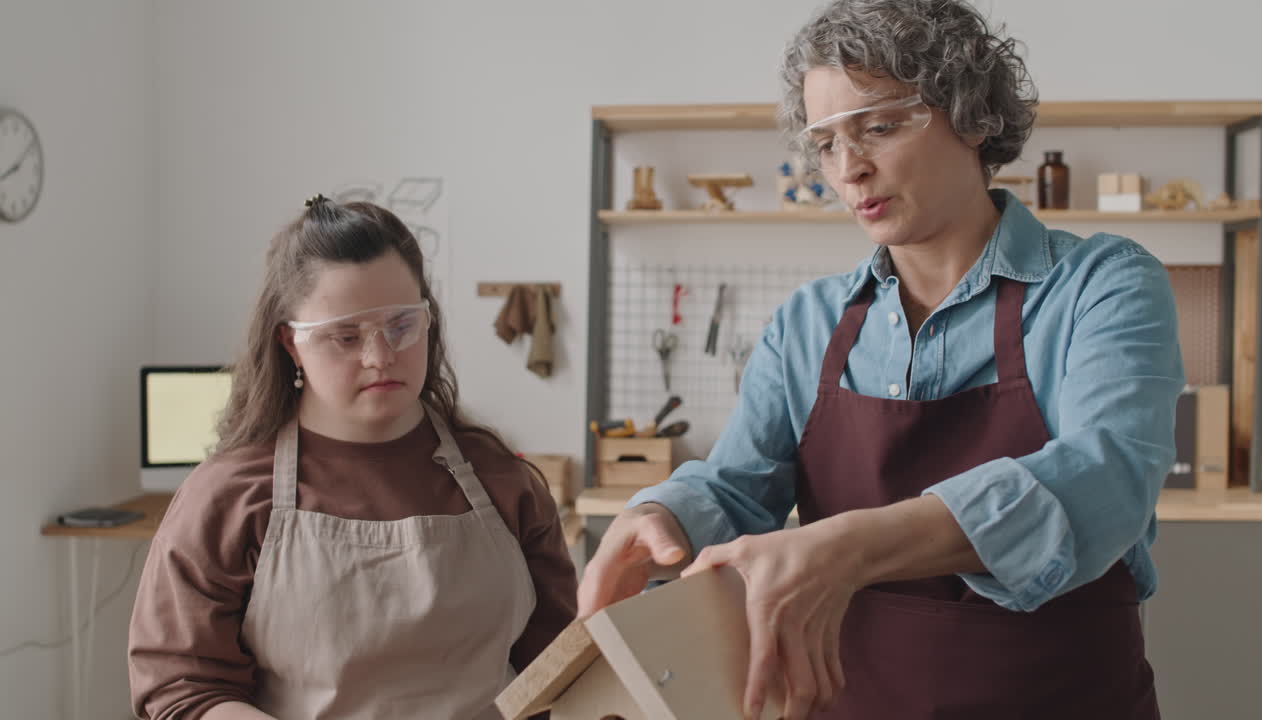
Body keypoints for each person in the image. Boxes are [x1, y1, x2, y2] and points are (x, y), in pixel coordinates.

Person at [578, 1, 1183, 718]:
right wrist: (663, 514)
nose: (849, 169)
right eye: (826, 142)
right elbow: (737, 489)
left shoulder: (1101, 284)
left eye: (881, 126)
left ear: (975, 117)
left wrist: (848, 546)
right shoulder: (808, 322)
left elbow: (1106, 477)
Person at [128, 196, 577, 719]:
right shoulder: (227, 497)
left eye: (402, 325)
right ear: (290, 345)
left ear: (429, 320)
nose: (380, 355)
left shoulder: (504, 480)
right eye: (345, 336)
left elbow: (557, 672)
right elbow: (184, 688)